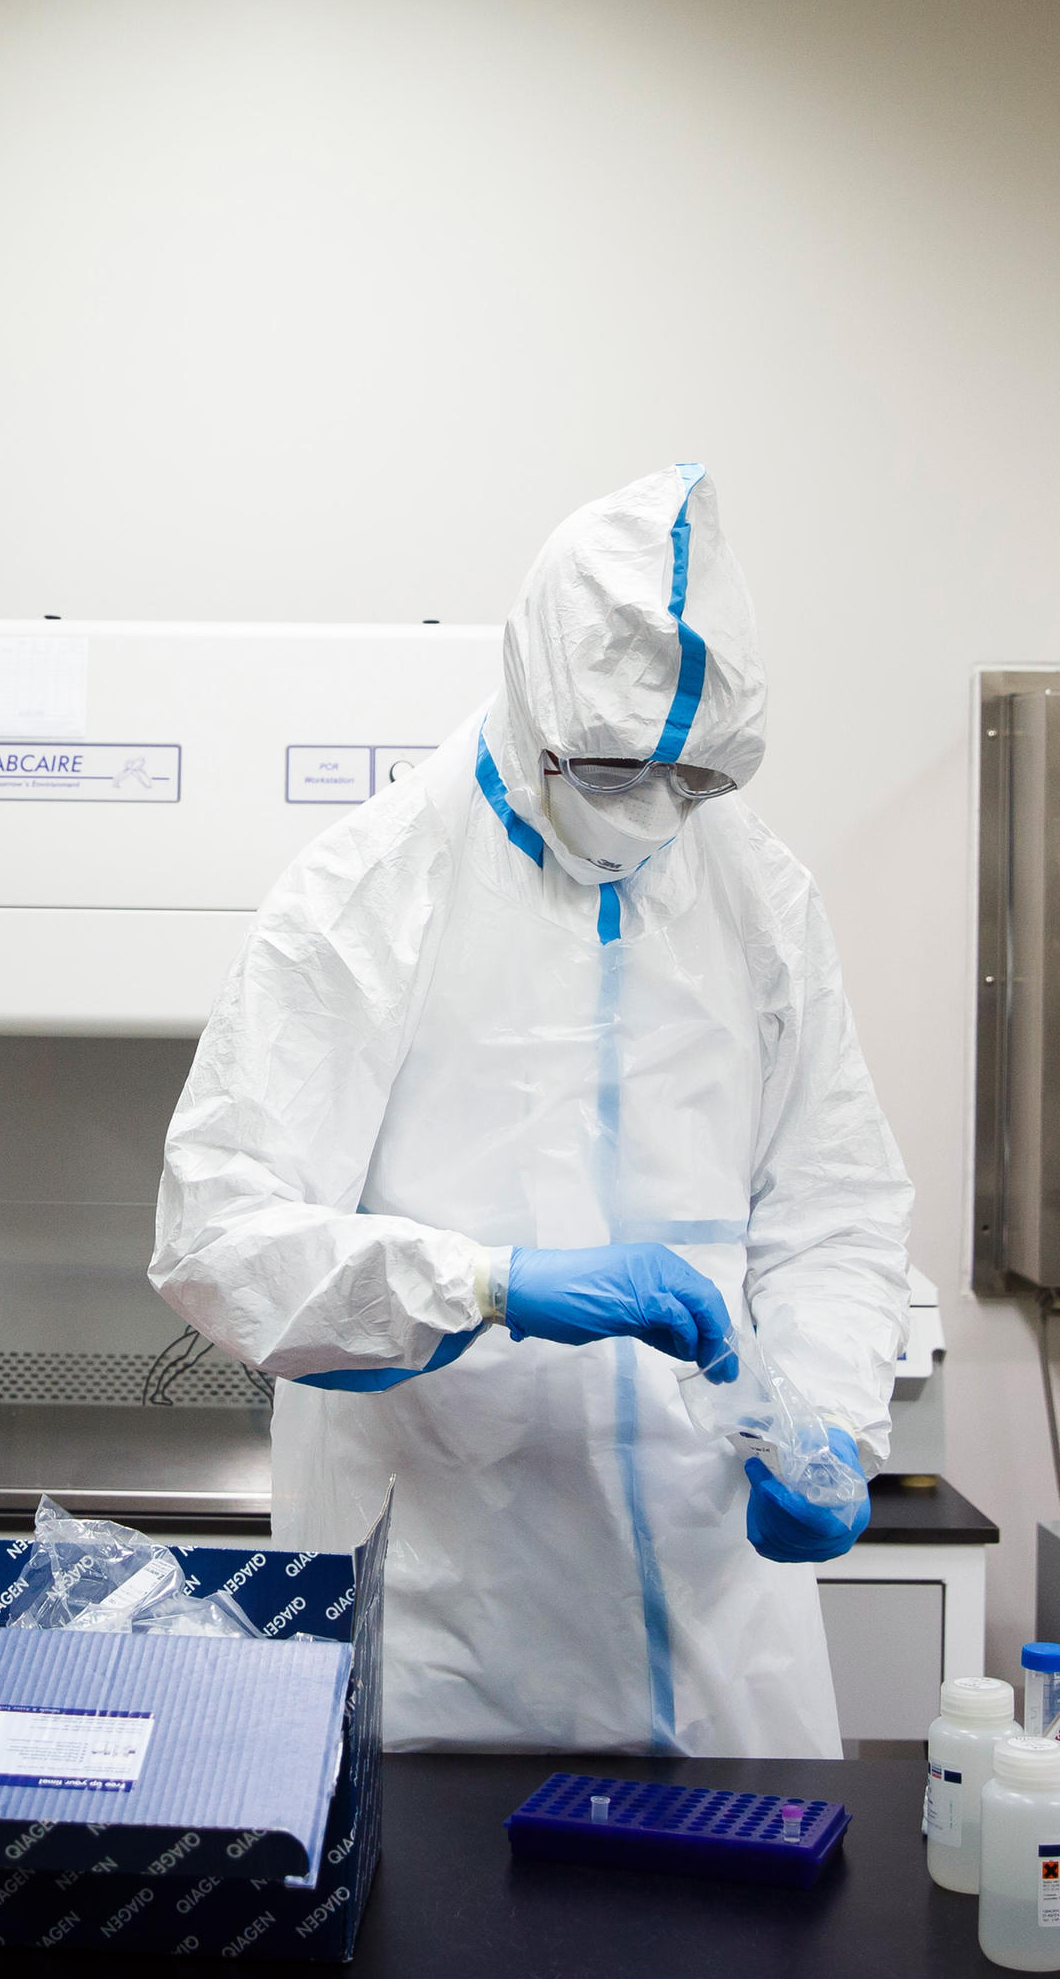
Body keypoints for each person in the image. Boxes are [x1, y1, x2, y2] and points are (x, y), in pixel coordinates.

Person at [151, 465, 924, 1756]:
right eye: (621, 767)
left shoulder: (755, 893)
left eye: (698, 777)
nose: (658, 808)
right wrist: (488, 1281)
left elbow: (833, 1195)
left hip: (717, 1632)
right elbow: (220, 1240)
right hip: (450, 1650)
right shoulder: (372, 891)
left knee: (754, 1958)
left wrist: (834, 1420)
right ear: (531, 705)